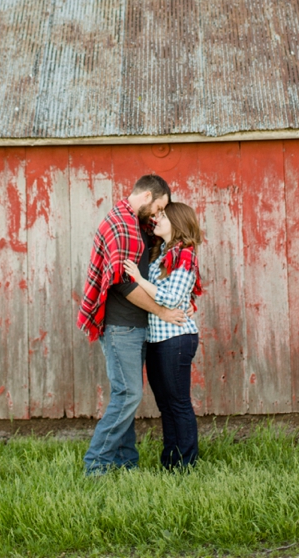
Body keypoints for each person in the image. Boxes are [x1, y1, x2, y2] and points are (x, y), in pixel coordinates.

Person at [76, 174, 186, 474]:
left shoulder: (135, 223)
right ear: (149, 196)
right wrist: (162, 312)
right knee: (129, 395)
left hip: (133, 326)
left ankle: (125, 464)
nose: (158, 214)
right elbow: (123, 284)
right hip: (120, 327)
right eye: (160, 206)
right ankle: (95, 466)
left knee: (125, 395)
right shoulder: (122, 225)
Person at [124, 202, 204, 470]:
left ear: (177, 222)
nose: (156, 219)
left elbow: (171, 298)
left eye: (162, 216)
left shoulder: (185, 255)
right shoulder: (161, 254)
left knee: (178, 403)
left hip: (176, 340)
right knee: (166, 405)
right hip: (157, 340)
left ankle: (186, 464)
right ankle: (171, 461)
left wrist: (137, 278)